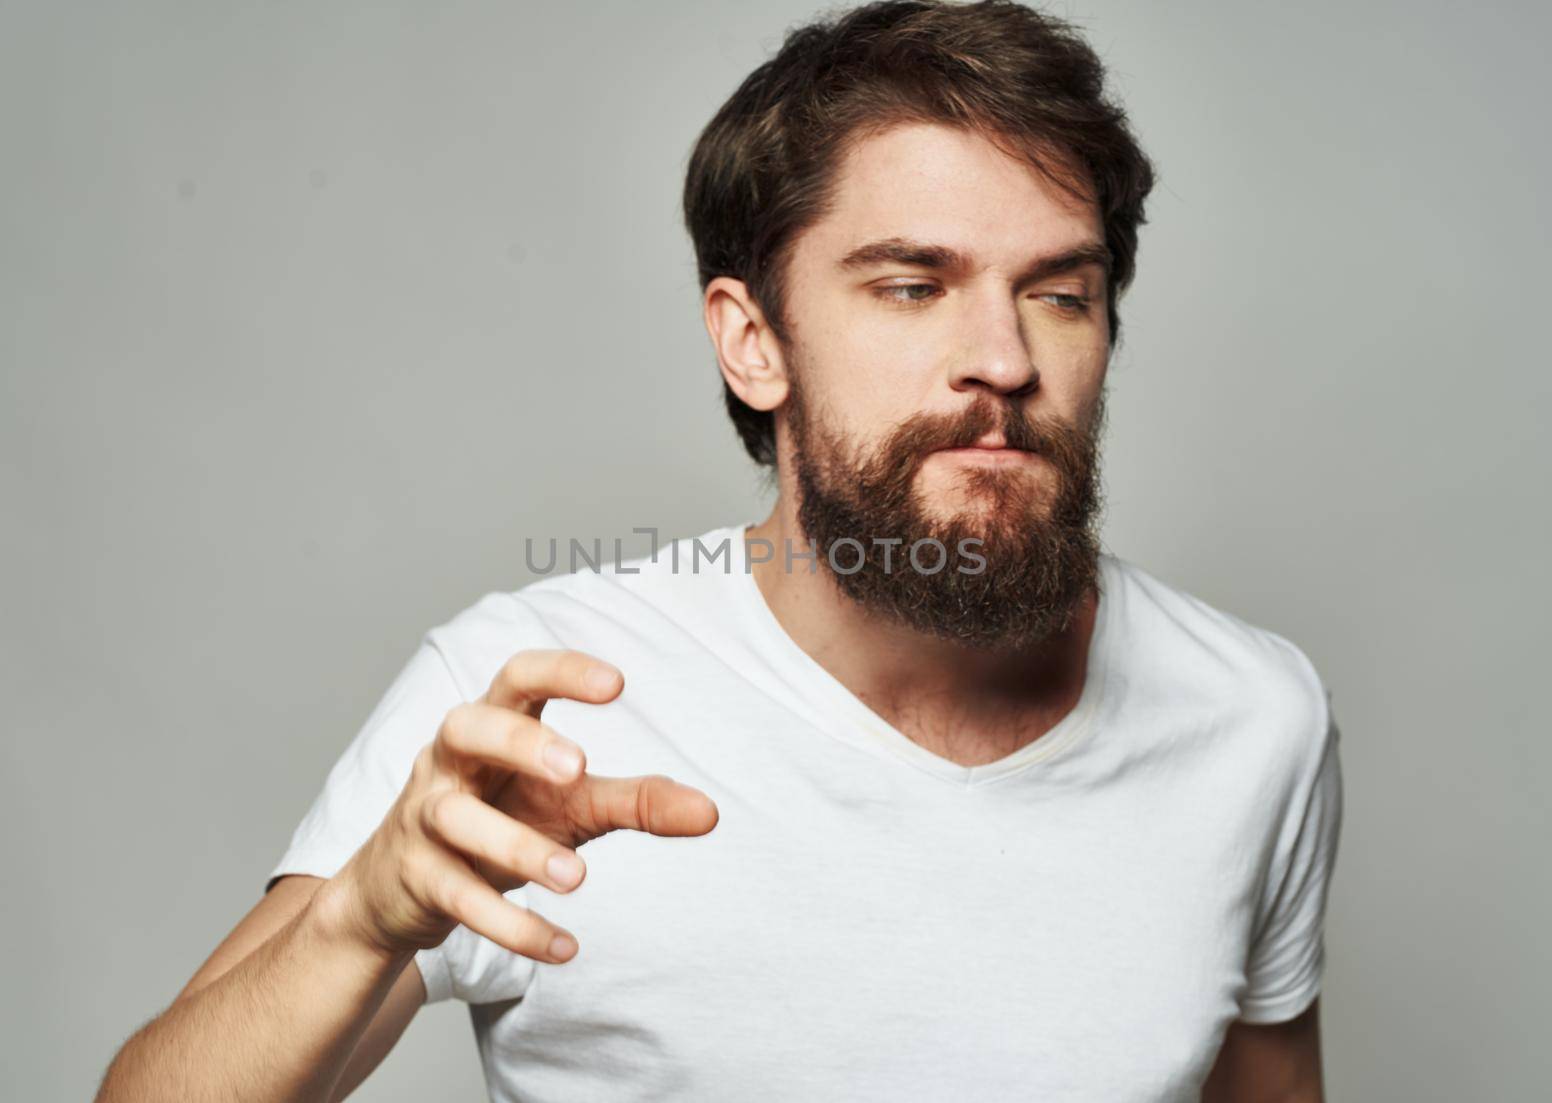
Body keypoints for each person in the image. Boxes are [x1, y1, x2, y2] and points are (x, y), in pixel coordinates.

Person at [95, 2, 1344, 1100]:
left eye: (1058, 294)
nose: (1004, 361)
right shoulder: (534, 693)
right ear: (754, 341)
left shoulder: (1250, 714)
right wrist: (359, 919)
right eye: (913, 285)